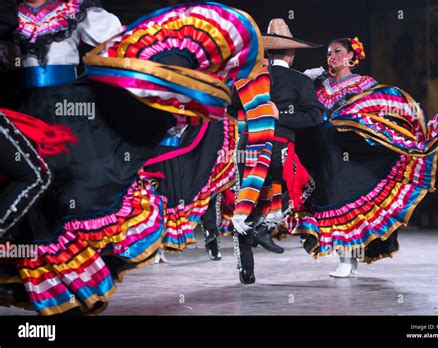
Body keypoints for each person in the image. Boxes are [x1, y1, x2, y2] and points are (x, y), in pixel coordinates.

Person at [0, 2, 264, 315]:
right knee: (37, 204)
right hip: (22, 111)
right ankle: (48, 285)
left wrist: (147, 79)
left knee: (76, 193)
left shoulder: (73, 10)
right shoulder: (10, 13)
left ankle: (76, 285)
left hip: (69, 112)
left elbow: (123, 48)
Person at [291, 37, 438, 277]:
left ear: (351, 57)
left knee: (346, 202)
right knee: (326, 201)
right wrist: (304, 79)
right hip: (323, 156)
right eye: (328, 53)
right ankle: (346, 257)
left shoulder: (363, 84)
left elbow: (382, 112)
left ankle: (347, 259)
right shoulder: (317, 85)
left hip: (352, 155)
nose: (332, 57)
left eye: (338, 51)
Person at [228, 18, 324, 284]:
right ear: (291, 53)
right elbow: (315, 117)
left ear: (268, 52)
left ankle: (246, 270)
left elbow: (229, 106)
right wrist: (280, 118)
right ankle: (265, 227)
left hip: (246, 148)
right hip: (278, 149)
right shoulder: (298, 81)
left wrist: (256, 116)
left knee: (245, 201)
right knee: (303, 186)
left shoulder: (249, 78)